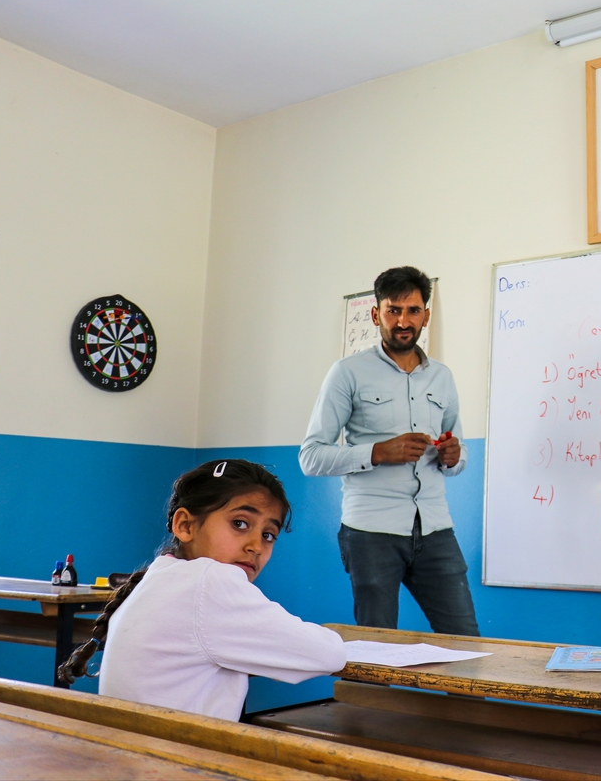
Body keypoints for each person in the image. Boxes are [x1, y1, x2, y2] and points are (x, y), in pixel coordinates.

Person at [56, 460, 347, 721]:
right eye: (240, 523)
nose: (256, 546)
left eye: (268, 534)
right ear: (185, 525)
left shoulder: (162, 575)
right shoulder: (211, 582)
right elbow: (327, 655)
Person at [299, 266, 479, 636]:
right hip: (371, 532)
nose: (403, 320)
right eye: (393, 310)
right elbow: (311, 456)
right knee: (379, 646)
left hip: (435, 529)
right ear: (375, 314)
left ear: (426, 316)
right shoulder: (347, 372)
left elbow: (458, 456)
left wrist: (453, 456)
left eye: (413, 310)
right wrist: (378, 451)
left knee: (467, 640)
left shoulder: (442, 376)